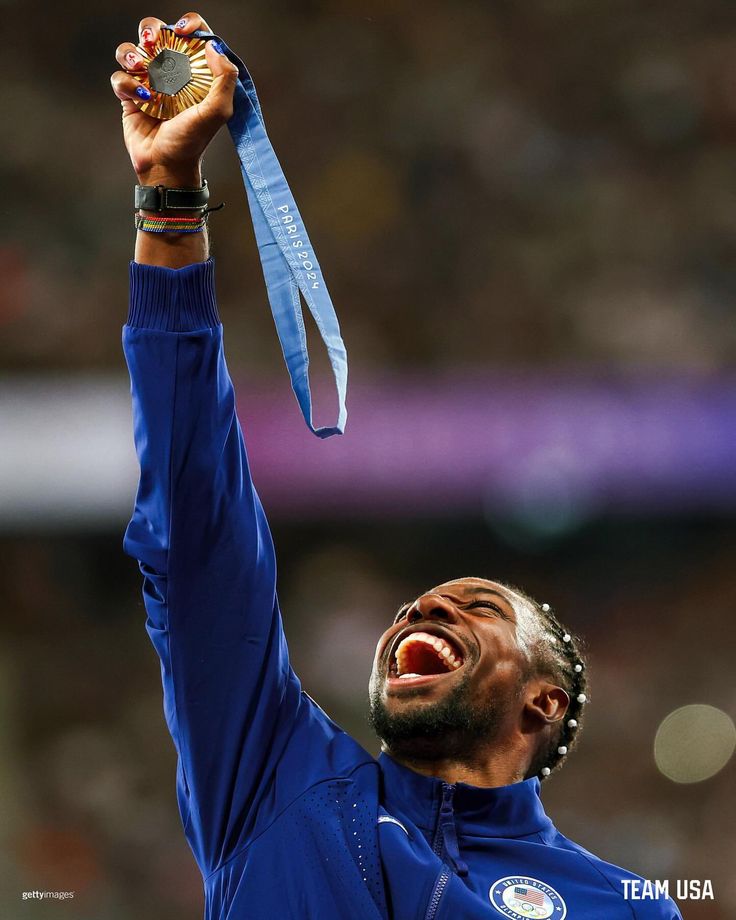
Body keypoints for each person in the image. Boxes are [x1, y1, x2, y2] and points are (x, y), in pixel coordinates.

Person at [112, 12, 682, 919]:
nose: (424, 606)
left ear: (545, 700)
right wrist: (170, 194)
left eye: (481, 606)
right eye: (426, 605)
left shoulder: (628, 906)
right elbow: (197, 525)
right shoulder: (272, 777)